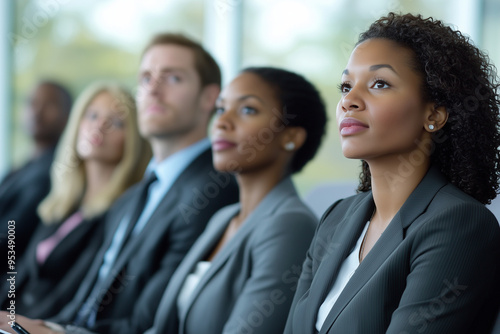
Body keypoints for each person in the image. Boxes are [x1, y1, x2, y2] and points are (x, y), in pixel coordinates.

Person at [0, 33, 239, 334]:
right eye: (146, 78)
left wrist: (50, 331)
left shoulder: (213, 190)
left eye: (173, 78)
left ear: (209, 97)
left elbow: (149, 323)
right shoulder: (136, 195)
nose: (153, 89)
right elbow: (86, 301)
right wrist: (36, 325)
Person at [284, 13, 500, 334]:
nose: (349, 101)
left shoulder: (458, 224)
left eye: (379, 84)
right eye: (346, 86)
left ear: (434, 114)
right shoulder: (337, 217)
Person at [145, 66, 327, 334]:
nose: (221, 123)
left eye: (247, 110)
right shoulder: (224, 218)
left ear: (291, 137)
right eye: (220, 109)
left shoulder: (290, 225)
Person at [0, 81, 151, 319]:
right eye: (92, 115)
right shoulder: (63, 203)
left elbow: (71, 296)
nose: (100, 126)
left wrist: (16, 323)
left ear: (133, 142)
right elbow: (18, 274)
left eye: (117, 122)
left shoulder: (119, 213)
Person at [0, 80, 72, 271]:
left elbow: (11, 237)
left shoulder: (55, 172)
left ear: (68, 116)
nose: (37, 111)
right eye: (31, 102)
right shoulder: (22, 167)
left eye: (49, 105)